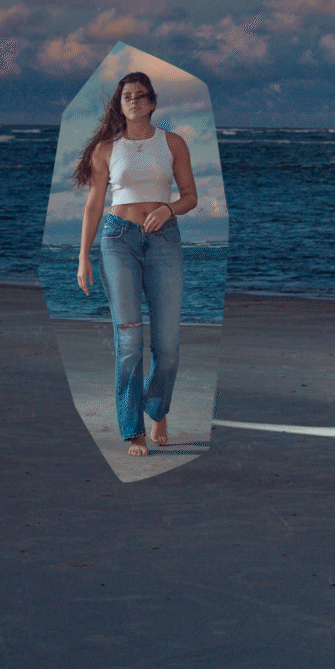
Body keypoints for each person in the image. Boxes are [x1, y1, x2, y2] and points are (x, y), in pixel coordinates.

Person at [74, 71, 198, 457]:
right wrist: (82, 256)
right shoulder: (106, 148)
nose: (134, 101)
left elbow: (191, 196)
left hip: (164, 240)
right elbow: (94, 204)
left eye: (141, 96)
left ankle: (157, 408)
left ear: (153, 102)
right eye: (127, 96)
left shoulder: (173, 143)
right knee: (128, 341)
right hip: (117, 242)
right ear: (120, 102)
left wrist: (167, 209)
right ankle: (134, 432)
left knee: (168, 345)